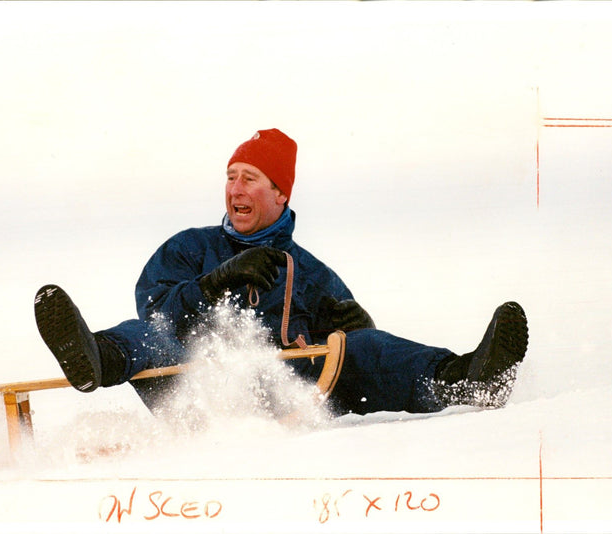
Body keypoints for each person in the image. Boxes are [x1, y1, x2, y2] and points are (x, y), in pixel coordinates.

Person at [34, 128, 528, 416]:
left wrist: (355, 341)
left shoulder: (309, 272)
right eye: (230, 178)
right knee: (151, 333)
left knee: (367, 347)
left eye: (249, 178)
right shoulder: (190, 247)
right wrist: (215, 282)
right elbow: (157, 307)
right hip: (194, 392)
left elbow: (354, 347)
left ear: (280, 194)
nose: (236, 189)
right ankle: (95, 358)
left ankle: (463, 381)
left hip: (286, 400)